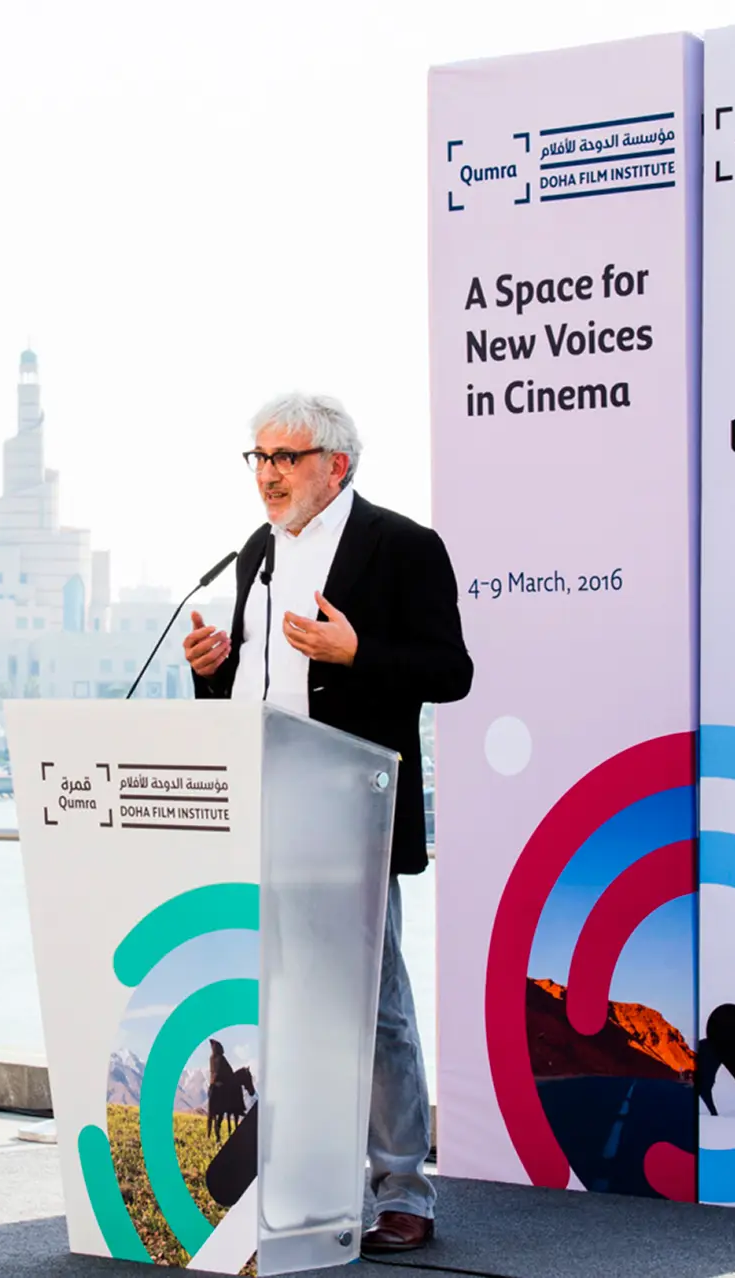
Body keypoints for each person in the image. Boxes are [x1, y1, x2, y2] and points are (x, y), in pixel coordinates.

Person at [183, 392, 471, 1255]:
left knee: (373, 1007)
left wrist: (359, 654)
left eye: (285, 458)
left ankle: (405, 1191)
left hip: (350, 812)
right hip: (259, 807)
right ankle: (296, 1179)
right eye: (258, 458)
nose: (267, 475)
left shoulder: (401, 547)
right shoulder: (253, 555)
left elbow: (450, 671)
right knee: (269, 998)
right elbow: (256, 689)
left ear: (334, 465)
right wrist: (210, 670)